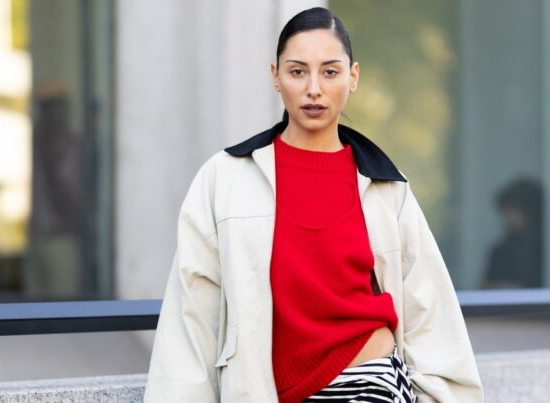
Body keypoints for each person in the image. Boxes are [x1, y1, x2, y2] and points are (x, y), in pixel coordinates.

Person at [144, 7, 483, 403]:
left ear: (353, 77)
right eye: (298, 71)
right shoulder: (225, 178)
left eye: (330, 72)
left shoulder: (386, 186)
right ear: (275, 76)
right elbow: (192, 316)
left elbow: (431, 312)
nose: (314, 88)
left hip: (372, 386)